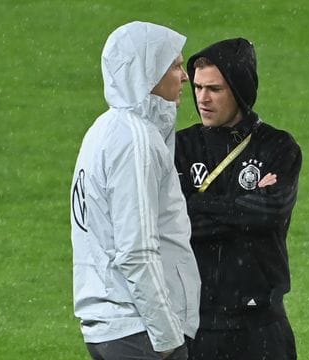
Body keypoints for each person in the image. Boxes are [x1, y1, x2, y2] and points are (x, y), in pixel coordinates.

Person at [70, 21, 200, 360]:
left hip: (116, 325)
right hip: (138, 329)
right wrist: (169, 339)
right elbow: (136, 250)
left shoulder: (105, 129)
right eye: (175, 65)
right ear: (148, 72)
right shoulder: (134, 140)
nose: (185, 76)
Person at [174, 38, 301, 360]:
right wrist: (244, 203)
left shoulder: (278, 147)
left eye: (214, 89)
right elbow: (175, 220)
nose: (202, 98)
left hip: (261, 325)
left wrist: (196, 205)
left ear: (240, 90)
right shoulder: (180, 146)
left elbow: (268, 214)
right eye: (198, 87)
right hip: (195, 322)